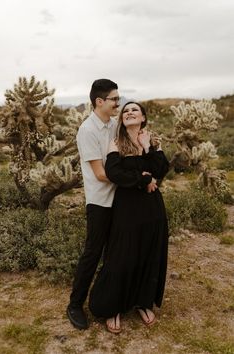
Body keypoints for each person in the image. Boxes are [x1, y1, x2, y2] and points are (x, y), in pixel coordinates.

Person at [89, 101, 169, 334]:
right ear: (122, 119)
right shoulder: (117, 143)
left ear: (143, 117)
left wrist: (147, 148)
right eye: (125, 111)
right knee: (121, 254)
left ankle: (143, 302)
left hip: (152, 208)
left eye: (135, 110)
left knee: (149, 252)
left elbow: (162, 170)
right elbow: (114, 173)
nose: (129, 112)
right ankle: (113, 306)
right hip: (127, 208)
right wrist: (143, 179)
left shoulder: (152, 142)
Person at [66, 79, 120, 330]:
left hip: (120, 198)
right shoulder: (87, 130)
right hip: (99, 201)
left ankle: (106, 301)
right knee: (93, 253)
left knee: (114, 252)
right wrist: (134, 180)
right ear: (100, 101)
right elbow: (99, 173)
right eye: (114, 99)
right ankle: (75, 304)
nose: (118, 103)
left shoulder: (114, 125)